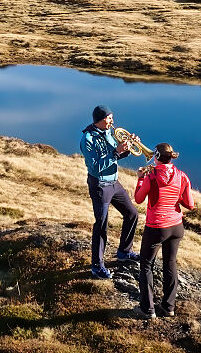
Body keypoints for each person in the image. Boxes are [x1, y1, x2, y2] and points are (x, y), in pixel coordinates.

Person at [133, 143, 195, 319]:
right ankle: (168, 307)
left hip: (156, 227)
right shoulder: (182, 176)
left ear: (157, 157)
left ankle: (147, 309)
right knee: (170, 263)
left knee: (146, 265)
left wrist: (139, 178)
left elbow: (138, 199)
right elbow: (190, 204)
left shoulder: (151, 176)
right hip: (176, 226)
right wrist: (175, 198)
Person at [80, 105, 141, 279]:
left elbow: (117, 155)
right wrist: (115, 152)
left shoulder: (109, 133)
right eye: (109, 119)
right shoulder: (88, 138)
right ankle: (97, 266)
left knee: (132, 213)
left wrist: (128, 147)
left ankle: (124, 252)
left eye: (112, 118)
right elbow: (96, 166)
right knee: (101, 224)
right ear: (99, 120)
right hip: (100, 185)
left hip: (114, 182)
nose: (112, 122)